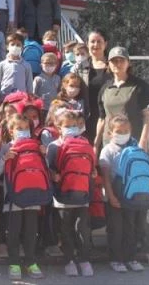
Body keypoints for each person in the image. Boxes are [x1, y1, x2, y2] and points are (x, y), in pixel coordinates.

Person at [100, 114, 149, 273]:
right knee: (116, 229)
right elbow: (105, 177)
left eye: (126, 131)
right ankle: (116, 259)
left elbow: (146, 169)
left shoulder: (136, 149)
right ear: (110, 133)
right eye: (119, 131)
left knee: (132, 229)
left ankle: (130, 257)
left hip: (133, 197)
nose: (123, 134)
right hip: (115, 196)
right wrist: (110, 196)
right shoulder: (107, 151)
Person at [0, 113, 46, 280]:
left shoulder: (36, 146)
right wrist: (5, 158)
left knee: (31, 232)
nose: (23, 131)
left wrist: (44, 155)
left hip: (33, 196)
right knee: (13, 232)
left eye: (26, 128)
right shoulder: (6, 147)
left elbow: (44, 170)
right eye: (19, 128)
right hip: (13, 198)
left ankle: (31, 262)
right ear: (11, 130)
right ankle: (14, 263)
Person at [46, 109, 95, 277]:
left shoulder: (85, 143)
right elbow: (49, 168)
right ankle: (69, 260)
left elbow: (91, 164)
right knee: (65, 229)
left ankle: (84, 259)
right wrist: (54, 175)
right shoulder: (54, 146)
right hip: (63, 195)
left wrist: (93, 172)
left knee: (82, 228)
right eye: (67, 125)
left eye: (74, 125)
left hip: (82, 192)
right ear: (58, 127)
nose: (71, 128)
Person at [95, 46, 149, 154]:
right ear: (108, 64)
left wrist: (143, 142)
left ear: (128, 63)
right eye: (114, 61)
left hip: (134, 145)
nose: (118, 64)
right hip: (109, 146)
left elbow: (148, 116)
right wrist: (96, 145)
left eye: (121, 60)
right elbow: (102, 119)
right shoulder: (105, 88)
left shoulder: (140, 86)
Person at [76, 30, 111, 144]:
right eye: (92, 41)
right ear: (87, 44)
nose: (96, 45)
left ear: (105, 44)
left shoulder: (113, 66)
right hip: (87, 116)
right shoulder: (80, 67)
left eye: (99, 41)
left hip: (109, 116)